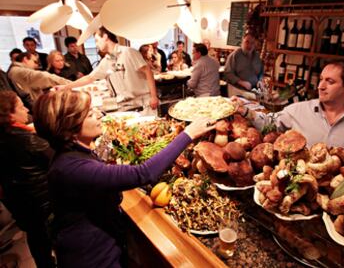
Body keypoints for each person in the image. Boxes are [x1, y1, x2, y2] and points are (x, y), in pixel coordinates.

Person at [32, 89, 215, 268]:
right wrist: (188, 134)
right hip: (92, 256)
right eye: (89, 114)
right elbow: (143, 174)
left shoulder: (75, 153)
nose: (98, 115)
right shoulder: (71, 168)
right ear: (69, 129)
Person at [233, 59, 344, 158]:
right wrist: (245, 111)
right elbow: (269, 122)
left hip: (341, 196)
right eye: (321, 80)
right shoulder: (298, 110)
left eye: (330, 82)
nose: (320, 86)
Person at [0, 91, 55, 268]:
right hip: (43, 204)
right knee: (45, 235)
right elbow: (58, 160)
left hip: (18, 202)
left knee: (36, 237)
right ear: (10, 115)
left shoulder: (7, 134)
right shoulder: (28, 140)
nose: (25, 108)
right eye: (20, 106)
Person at [61, 27, 159, 115]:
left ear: (105, 37)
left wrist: (154, 97)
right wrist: (66, 87)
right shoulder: (107, 60)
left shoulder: (128, 52)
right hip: (125, 106)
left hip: (143, 104)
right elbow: (90, 78)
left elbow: (148, 71)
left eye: (97, 40)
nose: (96, 44)